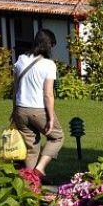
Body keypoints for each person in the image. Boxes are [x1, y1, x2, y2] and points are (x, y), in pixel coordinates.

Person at [12, 28, 63, 177]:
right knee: (57, 136)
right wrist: (51, 117)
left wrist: (14, 110)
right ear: (49, 45)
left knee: (31, 147)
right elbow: (48, 94)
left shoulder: (21, 59)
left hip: (20, 109)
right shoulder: (49, 65)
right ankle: (40, 169)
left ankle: (31, 182)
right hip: (38, 110)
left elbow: (16, 89)